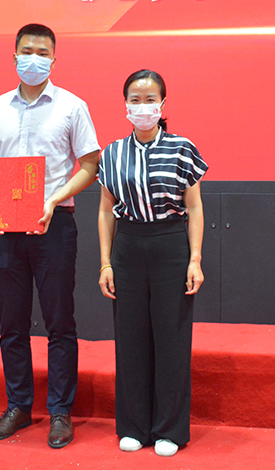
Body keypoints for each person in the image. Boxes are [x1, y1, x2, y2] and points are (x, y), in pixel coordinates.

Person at [0, 23, 100, 449]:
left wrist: (53, 199)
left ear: (54, 59)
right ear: (14, 56)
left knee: (59, 322)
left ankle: (60, 411)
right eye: (27, 51)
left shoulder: (72, 106)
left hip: (54, 225)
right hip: (5, 226)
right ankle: (18, 406)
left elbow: (90, 165)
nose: (34, 59)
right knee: (11, 322)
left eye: (42, 53)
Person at [97, 69, 207, 457]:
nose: (142, 107)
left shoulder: (182, 149)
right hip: (127, 247)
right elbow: (105, 210)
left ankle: (169, 430)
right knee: (130, 338)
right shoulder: (111, 153)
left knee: (171, 337)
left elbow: (194, 208)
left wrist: (195, 259)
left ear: (162, 104)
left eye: (149, 100)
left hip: (170, 244)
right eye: (135, 100)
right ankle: (133, 426)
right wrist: (105, 263)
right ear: (125, 104)